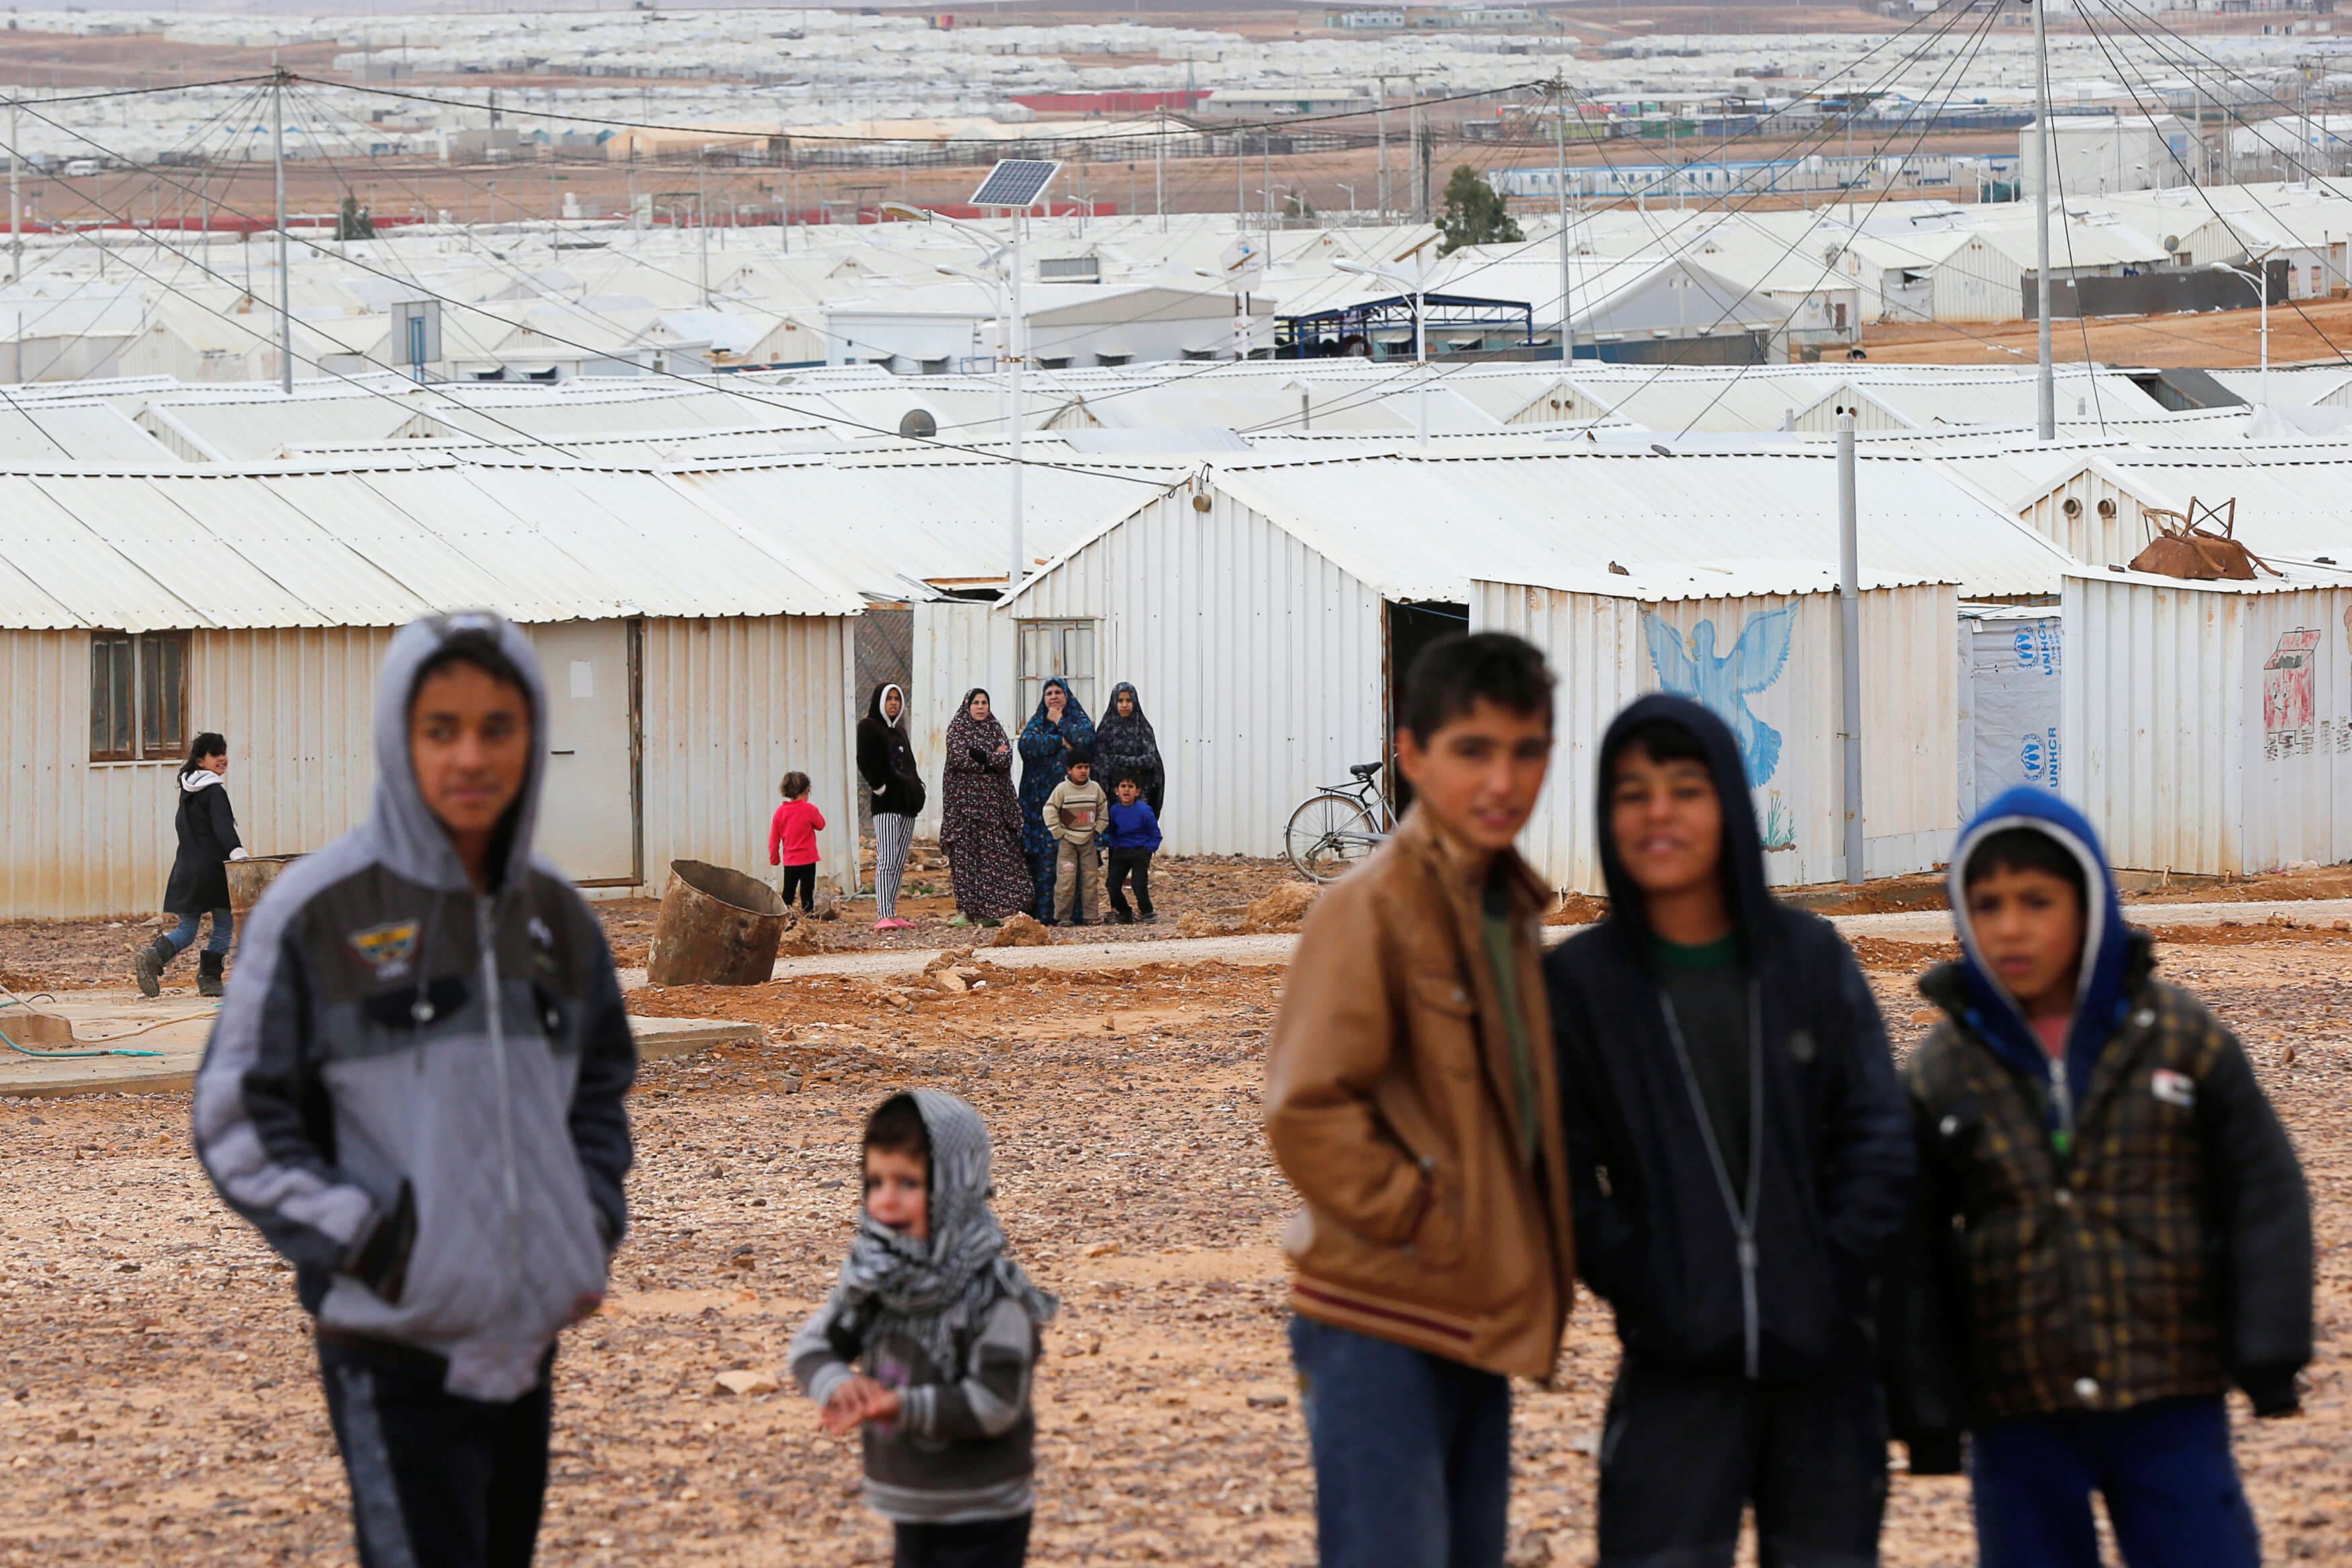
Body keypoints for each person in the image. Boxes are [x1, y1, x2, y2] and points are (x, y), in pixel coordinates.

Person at [192, 611, 635, 1568]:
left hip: (525, 1337)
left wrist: (584, 1223)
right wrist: (370, 1238)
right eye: (441, 728)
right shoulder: (321, 913)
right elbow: (237, 1116)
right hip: (390, 1339)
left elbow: (598, 1089)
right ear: (400, 736)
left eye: (497, 726)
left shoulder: (557, 915)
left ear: (531, 733)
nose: (470, 755)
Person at [1886, 789, 2312, 1568]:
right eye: (1985, 905)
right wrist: (1925, 1402)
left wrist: (2268, 1347)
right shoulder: (1942, 1070)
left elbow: (2262, 1189)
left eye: (2036, 901)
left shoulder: (2178, 1036)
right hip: (2014, 1403)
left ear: (2089, 906)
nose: (2010, 926)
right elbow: (1907, 1248)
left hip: (2168, 1388)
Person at [1542, 695, 1913, 1568]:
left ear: (1730, 809)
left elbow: (1879, 1135)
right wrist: (1645, 1282)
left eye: (1685, 787)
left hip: (1824, 1363)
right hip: (1674, 1363)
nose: (1658, 811)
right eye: (1632, 792)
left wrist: (1828, 1272)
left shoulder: (1808, 956)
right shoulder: (1582, 982)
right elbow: (1556, 1167)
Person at [1263, 631, 1572, 1568]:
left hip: (1467, 1311)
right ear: (1412, 755)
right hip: (1379, 1317)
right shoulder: (1372, 905)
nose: (1502, 780)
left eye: (1527, 751)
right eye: (1473, 750)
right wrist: (1430, 1214)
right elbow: (1306, 1111)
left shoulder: (1502, 907)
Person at [791, 1090, 1058, 1568]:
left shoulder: (995, 1296)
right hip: (909, 1504)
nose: (886, 1200)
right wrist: (840, 1385)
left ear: (955, 1186)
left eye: (908, 1183)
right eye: (875, 1181)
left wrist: (899, 1405)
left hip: (984, 1509)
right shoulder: (875, 1277)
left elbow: (994, 1404)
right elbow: (813, 1345)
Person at [134, 730, 251, 1000]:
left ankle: (153, 956)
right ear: (201, 760)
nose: (222, 758)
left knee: (187, 930)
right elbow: (223, 827)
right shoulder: (213, 791)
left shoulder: (187, 792)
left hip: (186, 868)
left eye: (224, 752)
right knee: (223, 926)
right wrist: (238, 855)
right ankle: (209, 980)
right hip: (214, 871)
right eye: (215, 754)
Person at [939, 689, 1032, 927]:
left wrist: (978, 755)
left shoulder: (995, 729)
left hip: (993, 811)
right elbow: (959, 759)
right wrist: (990, 761)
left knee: (995, 859)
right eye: (976, 703)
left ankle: (990, 911)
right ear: (968, 705)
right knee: (965, 860)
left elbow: (1006, 759)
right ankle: (967, 912)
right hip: (965, 812)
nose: (981, 707)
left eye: (985, 703)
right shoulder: (958, 729)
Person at [1016, 679, 1092, 924]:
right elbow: (1027, 745)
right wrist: (1060, 742)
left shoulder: (1078, 720)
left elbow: (1085, 742)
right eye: (1049, 693)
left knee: (1071, 854)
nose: (1054, 697)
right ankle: (1044, 915)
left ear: (1067, 695)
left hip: (1073, 805)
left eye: (1059, 692)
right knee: (1044, 858)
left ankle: (1073, 915)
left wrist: (1060, 721)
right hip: (1039, 805)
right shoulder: (1038, 722)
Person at [859, 683, 927, 932]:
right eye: (889, 699)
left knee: (899, 861)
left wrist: (918, 791)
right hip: (887, 805)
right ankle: (883, 913)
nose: (894, 704)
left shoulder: (899, 731)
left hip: (907, 806)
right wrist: (880, 788)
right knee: (887, 858)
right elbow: (864, 759)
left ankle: (892, 910)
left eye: (897, 699)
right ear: (880, 701)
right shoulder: (868, 727)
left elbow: (908, 764)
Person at [1042, 752, 1109, 928]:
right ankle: (1063, 917)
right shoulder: (1062, 790)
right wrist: (1058, 832)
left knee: (1090, 879)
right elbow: (1049, 810)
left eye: (1086, 767)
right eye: (1079, 768)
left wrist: (1098, 830)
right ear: (1069, 770)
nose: (1083, 771)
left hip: (1089, 842)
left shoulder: (1095, 788)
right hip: (1067, 843)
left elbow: (1103, 811)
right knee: (1066, 880)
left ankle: (1091, 915)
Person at [1090, 681, 1164, 818]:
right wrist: (1133, 766)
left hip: (1140, 796)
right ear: (1114, 703)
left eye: (1129, 700)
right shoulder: (1106, 729)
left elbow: (1149, 761)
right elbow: (1100, 764)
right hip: (1112, 798)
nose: (1124, 705)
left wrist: (1118, 760)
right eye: (1120, 701)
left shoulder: (1143, 728)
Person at [1101, 773, 1161, 925]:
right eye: (1123, 786)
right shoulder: (1114, 810)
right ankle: (1125, 912)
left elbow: (1155, 834)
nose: (1126, 790)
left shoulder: (1144, 810)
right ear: (1117, 791)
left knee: (1138, 883)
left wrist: (1149, 849)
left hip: (1140, 850)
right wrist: (1115, 845)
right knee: (1112, 884)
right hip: (1121, 850)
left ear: (1138, 792)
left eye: (1130, 787)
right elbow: (1112, 831)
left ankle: (1147, 911)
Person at [769, 771, 827, 914]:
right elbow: (821, 825)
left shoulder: (780, 813)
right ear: (807, 790)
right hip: (808, 860)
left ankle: (784, 915)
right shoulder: (810, 809)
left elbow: (774, 839)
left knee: (788, 892)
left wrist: (774, 858)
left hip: (790, 862)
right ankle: (808, 915)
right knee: (807, 891)